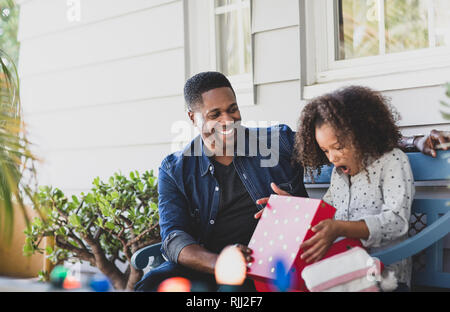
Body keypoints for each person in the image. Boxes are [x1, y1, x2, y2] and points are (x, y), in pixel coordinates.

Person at [134, 71, 449, 292]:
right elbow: (174, 238)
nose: (228, 121)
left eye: (233, 109)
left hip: (271, 262)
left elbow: (350, 142)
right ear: (193, 117)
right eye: (215, 114)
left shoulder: (278, 142)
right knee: (153, 284)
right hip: (209, 260)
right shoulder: (175, 169)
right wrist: (222, 262)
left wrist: (414, 140)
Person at [293, 86, 416, 291]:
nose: (332, 158)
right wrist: (290, 207)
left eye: (339, 147)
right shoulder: (338, 174)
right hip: (345, 274)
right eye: (325, 150)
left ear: (362, 134)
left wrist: (341, 228)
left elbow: (397, 221)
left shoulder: (392, 161)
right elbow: (324, 210)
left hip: (386, 277)